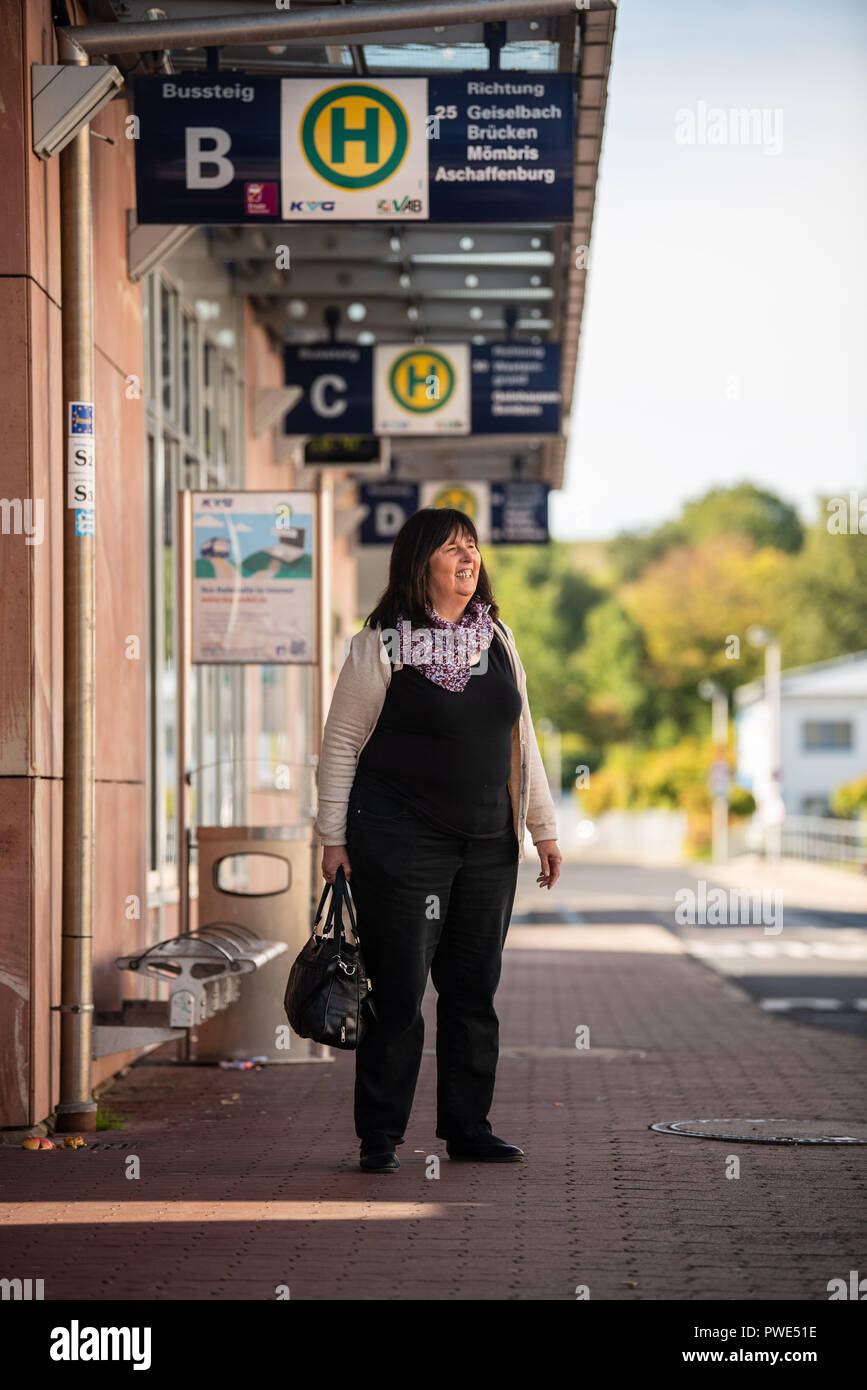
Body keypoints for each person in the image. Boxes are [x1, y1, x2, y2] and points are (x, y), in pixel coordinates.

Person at [314, 507, 562, 1172]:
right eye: (450, 548)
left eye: (472, 547)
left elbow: (523, 741)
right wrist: (331, 837)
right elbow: (341, 743)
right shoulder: (382, 644)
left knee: (472, 991)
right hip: (398, 841)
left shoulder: (498, 638)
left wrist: (543, 828)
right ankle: (380, 1136)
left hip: (486, 842)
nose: (466, 558)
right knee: (398, 993)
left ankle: (467, 1128)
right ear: (418, 562)